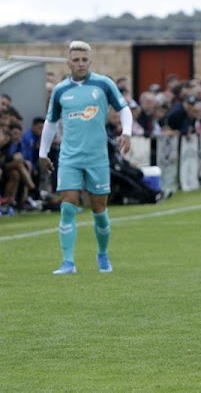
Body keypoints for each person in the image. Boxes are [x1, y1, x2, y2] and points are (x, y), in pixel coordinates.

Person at [39, 40, 133, 275]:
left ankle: (102, 255)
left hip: (97, 157)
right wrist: (43, 152)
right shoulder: (61, 90)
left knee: (99, 209)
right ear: (68, 62)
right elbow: (50, 122)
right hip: (70, 156)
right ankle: (68, 262)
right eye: (76, 60)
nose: (80, 64)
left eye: (84, 60)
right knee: (68, 205)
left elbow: (124, 108)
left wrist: (127, 132)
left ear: (90, 62)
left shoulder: (103, 84)